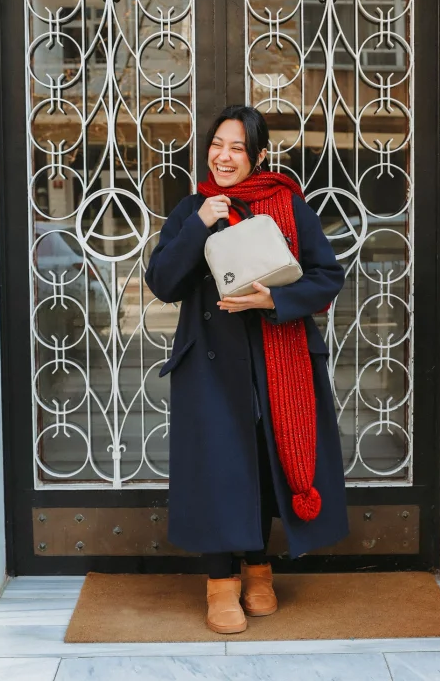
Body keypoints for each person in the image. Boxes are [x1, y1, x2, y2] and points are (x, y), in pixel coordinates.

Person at [145, 105, 349, 634]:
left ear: (257, 156)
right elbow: (162, 283)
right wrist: (199, 226)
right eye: (217, 144)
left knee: (260, 461)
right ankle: (220, 583)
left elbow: (327, 276)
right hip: (208, 364)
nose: (224, 155)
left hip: (275, 359)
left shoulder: (288, 205)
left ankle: (259, 569)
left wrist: (271, 300)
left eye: (237, 147)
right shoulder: (192, 208)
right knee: (219, 469)